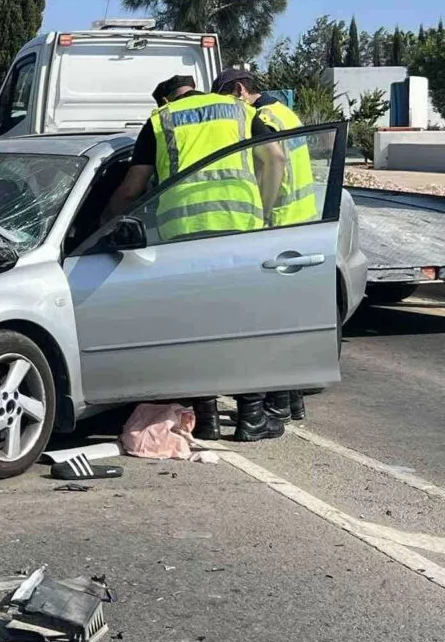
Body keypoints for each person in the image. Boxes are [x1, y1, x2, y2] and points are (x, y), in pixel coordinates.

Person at [103, 74, 287, 442]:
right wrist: (264, 210)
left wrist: (105, 225)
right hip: (239, 228)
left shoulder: (161, 121)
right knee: (241, 326)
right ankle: (250, 415)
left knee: (198, 329)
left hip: (182, 238)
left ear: (164, 100)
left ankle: (207, 419)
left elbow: (131, 189)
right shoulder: (237, 109)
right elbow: (276, 156)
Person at [213, 67, 316, 423]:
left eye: (228, 100)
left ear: (240, 90)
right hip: (303, 224)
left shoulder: (262, 117)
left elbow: (275, 159)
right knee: (286, 322)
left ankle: (273, 406)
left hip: (279, 227)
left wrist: (263, 209)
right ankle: (290, 402)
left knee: (266, 324)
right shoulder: (286, 111)